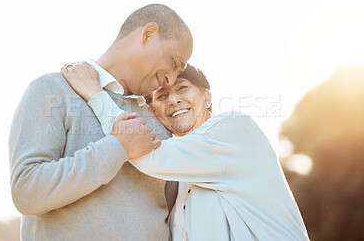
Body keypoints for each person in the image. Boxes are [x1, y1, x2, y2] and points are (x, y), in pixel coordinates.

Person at [62, 63, 311, 241]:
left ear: (207, 96)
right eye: (161, 95)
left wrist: (95, 94)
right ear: (154, 110)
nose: (173, 100)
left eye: (182, 88)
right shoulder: (177, 177)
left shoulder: (233, 127)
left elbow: (145, 153)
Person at [9, 4, 193, 241]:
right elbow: (27, 192)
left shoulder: (159, 121)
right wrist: (116, 148)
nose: (171, 78)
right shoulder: (52, 91)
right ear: (148, 34)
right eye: (174, 63)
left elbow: (173, 217)